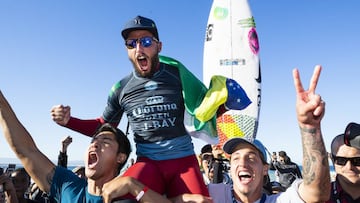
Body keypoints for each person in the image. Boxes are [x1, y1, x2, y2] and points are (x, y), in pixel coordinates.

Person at [50, 15, 216, 199]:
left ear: (159, 46)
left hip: (183, 162)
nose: (139, 48)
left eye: (146, 41)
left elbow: (207, 107)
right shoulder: (121, 88)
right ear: (127, 50)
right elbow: (104, 126)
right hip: (148, 164)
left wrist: (225, 99)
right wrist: (69, 121)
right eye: (131, 43)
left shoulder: (178, 74)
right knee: (116, 197)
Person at [0, 91, 212, 203]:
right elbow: (25, 150)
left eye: (106, 141)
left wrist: (134, 187)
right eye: (94, 140)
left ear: (121, 158)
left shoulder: (132, 197)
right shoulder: (68, 187)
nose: (96, 143)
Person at [208, 65, 331, 202]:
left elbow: (317, 193)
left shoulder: (278, 200)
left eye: (251, 158)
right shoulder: (213, 195)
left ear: (265, 169)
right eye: (236, 158)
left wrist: (309, 127)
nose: (242, 163)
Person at [326, 122, 360, 202]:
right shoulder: (320, 196)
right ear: (332, 159)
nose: (349, 167)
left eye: (357, 161)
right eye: (341, 160)